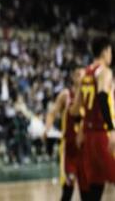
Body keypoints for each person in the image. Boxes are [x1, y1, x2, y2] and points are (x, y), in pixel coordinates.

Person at [75, 36, 115, 201]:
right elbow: (102, 97)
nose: (111, 55)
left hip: (88, 136)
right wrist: (111, 130)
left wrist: (80, 128)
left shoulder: (84, 74)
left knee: (96, 186)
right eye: (110, 51)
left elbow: (76, 108)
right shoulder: (104, 71)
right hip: (102, 134)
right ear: (105, 51)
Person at [44, 67, 84, 201]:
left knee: (88, 189)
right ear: (73, 77)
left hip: (85, 148)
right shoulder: (66, 95)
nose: (80, 77)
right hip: (69, 148)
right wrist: (47, 129)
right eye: (77, 74)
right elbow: (52, 113)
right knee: (68, 187)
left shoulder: (89, 94)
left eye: (82, 74)